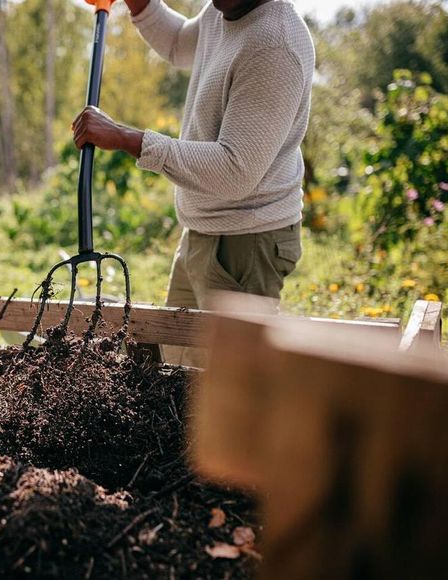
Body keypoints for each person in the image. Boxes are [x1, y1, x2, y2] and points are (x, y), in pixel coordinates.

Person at [72, 0, 315, 365]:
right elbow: (180, 43)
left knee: (228, 391)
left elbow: (236, 172)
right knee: (174, 373)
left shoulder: (274, 45)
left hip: (245, 241)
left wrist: (126, 138)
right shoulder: (225, 7)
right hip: (202, 230)